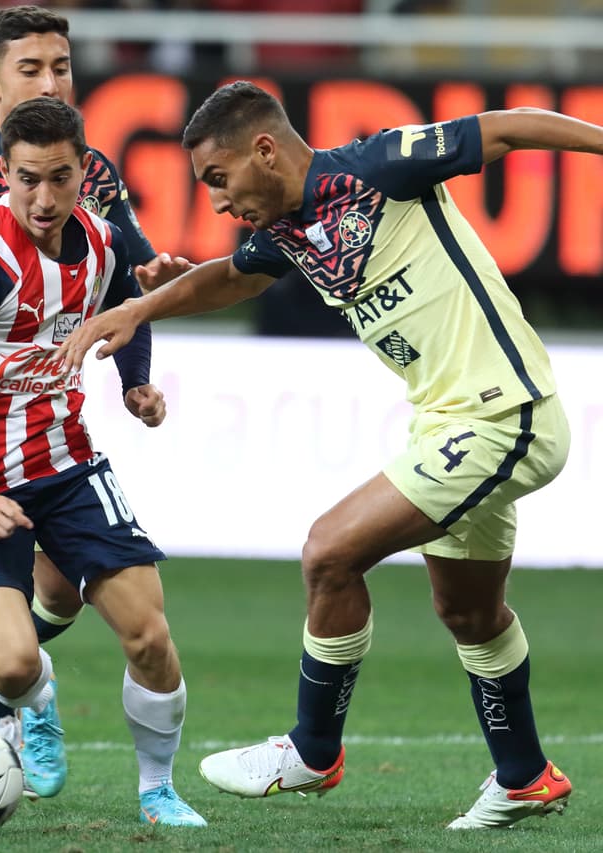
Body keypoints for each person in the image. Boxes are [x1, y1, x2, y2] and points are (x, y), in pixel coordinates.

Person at [57, 80, 598, 829]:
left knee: (329, 552)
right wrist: (147, 304)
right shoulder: (288, 230)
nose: (217, 201)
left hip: (504, 414)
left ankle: (313, 749)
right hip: (446, 423)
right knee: (468, 609)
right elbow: (232, 277)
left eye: (219, 178)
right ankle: (524, 775)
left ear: (265, 149)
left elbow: (505, 128)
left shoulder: (377, 168)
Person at [0, 4, 187, 799]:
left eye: (61, 67)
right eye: (32, 68)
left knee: (60, 594)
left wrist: (135, 369)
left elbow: (127, 281)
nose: (50, 81)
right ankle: (10, 696)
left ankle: (42, 696)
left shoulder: (95, 186)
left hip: (52, 436)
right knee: (7, 611)